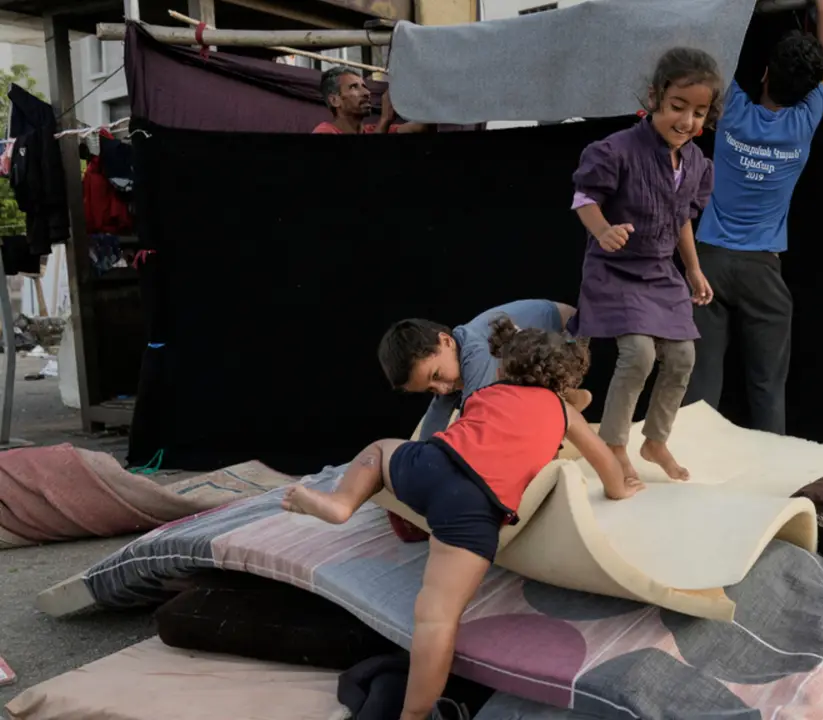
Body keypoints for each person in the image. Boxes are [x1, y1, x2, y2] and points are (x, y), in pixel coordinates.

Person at [282, 315, 643, 720]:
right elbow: (605, 465)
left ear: (504, 368)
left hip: (432, 464)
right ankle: (414, 715)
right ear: (562, 379)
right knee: (436, 618)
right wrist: (621, 487)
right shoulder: (565, 412)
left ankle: (343, 502)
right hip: (475, 508)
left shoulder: (485, 393)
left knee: (382, 448)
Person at [685, 0, 823, 435]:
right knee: (768, 388)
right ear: (811, 89)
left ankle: (690, 477)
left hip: (707, 263)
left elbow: (712, 49)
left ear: (765, 73)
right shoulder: (804, 122)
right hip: (763, 271)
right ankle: (771, 489)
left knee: (699, 386)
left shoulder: (731, 110)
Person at [569, 47, 722, 482]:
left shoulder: (694, 163)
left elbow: (681, 219)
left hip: (660, 271)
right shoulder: (616, 150)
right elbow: (585, 199)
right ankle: (615, 445)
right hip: (616, 268)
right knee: (637, 353)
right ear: (655, 97)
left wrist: (692, 269)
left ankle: (655, 441)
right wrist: (602, 231)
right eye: (677, 107)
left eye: (698, 112)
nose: (687, 121)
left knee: (683, 357)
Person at [380, 300, 589, 438]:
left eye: (436, 376)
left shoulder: (474, 354)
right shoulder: (450, 364)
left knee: (516, 402)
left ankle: (565, 401)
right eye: (431, 389)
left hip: (568, 332)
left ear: (446, 341)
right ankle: (569, 398)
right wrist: (419, 460)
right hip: (539, 345)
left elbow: (473, 424)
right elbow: (436, 413)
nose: (442, 389)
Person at [312, 67, 428, 135]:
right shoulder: (324, 132)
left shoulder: (371, 130)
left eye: (365, 86)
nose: (367, 93)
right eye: (354, 87)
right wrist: (385, 119)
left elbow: (422, 128)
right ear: (334, 100)